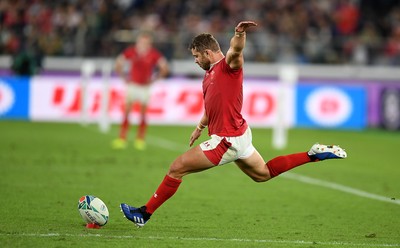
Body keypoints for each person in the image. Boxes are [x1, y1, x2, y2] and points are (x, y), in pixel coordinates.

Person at [120, 21, 347, 227]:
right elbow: (211, 108)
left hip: (226, 139)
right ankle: (312, 154)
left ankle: (145, 213)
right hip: (239, 135)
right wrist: (199, 127)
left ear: (208, 52)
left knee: (176, 168)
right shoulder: (208, 75)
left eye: (197, 56)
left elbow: (236, 50)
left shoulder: (229, 67)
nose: (196, 61)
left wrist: (239, 33)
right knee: (263, 174)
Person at [112, 31, 169, 150]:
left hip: (144, 87)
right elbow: (118, 63)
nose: (143, 44)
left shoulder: (153, 54)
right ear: (138, 42)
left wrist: (154, 80)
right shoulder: (131, 51)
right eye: (142, 42)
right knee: (127, 112)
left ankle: (140, 139)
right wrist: (123, 77)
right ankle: (122, 138)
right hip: (133, 85)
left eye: (146, 42)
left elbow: (165, 68)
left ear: (149, 43)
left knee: (143, 114)